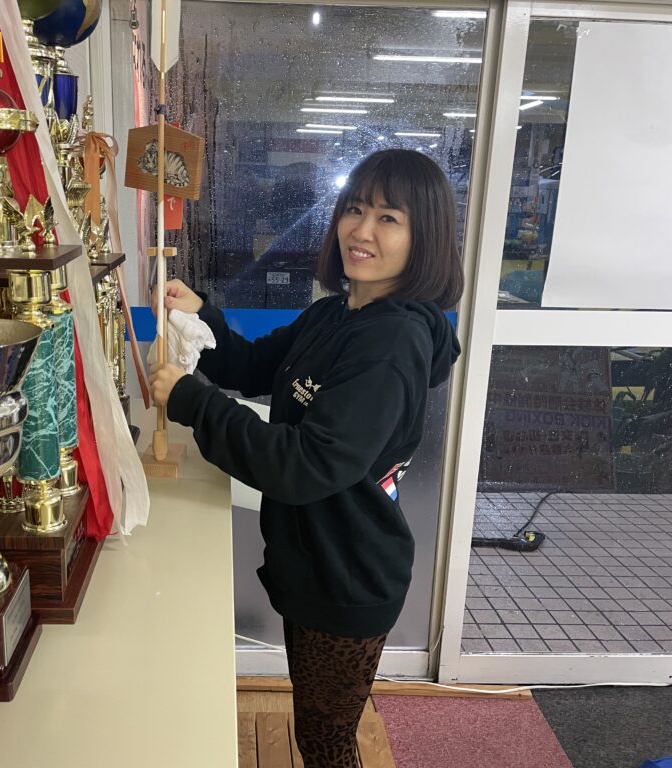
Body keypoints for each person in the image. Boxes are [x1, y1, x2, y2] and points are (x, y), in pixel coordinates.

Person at [149, 149, 463, 767]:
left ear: (423, 236)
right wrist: (202, 316)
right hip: (313, 561)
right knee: (315, 723)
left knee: (324, 742)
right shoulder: (334, 312)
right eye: (355, 209)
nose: (362, 231)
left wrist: (192, 402)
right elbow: (251, 366)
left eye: (388, 218)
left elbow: (305, 465)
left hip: (349, 576)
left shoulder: (392, 343)